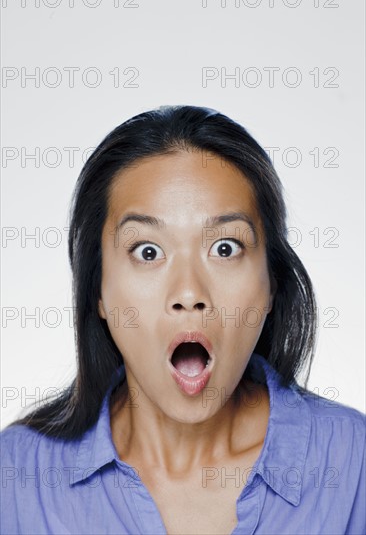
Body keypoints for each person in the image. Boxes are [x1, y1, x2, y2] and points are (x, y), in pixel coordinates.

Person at [1, 105, 364, 535]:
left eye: (225, 248)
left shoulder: (352, 463)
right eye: (148, 252)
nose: (189, 294)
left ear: (271, 284)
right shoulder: (18, 474)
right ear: (97, 291)